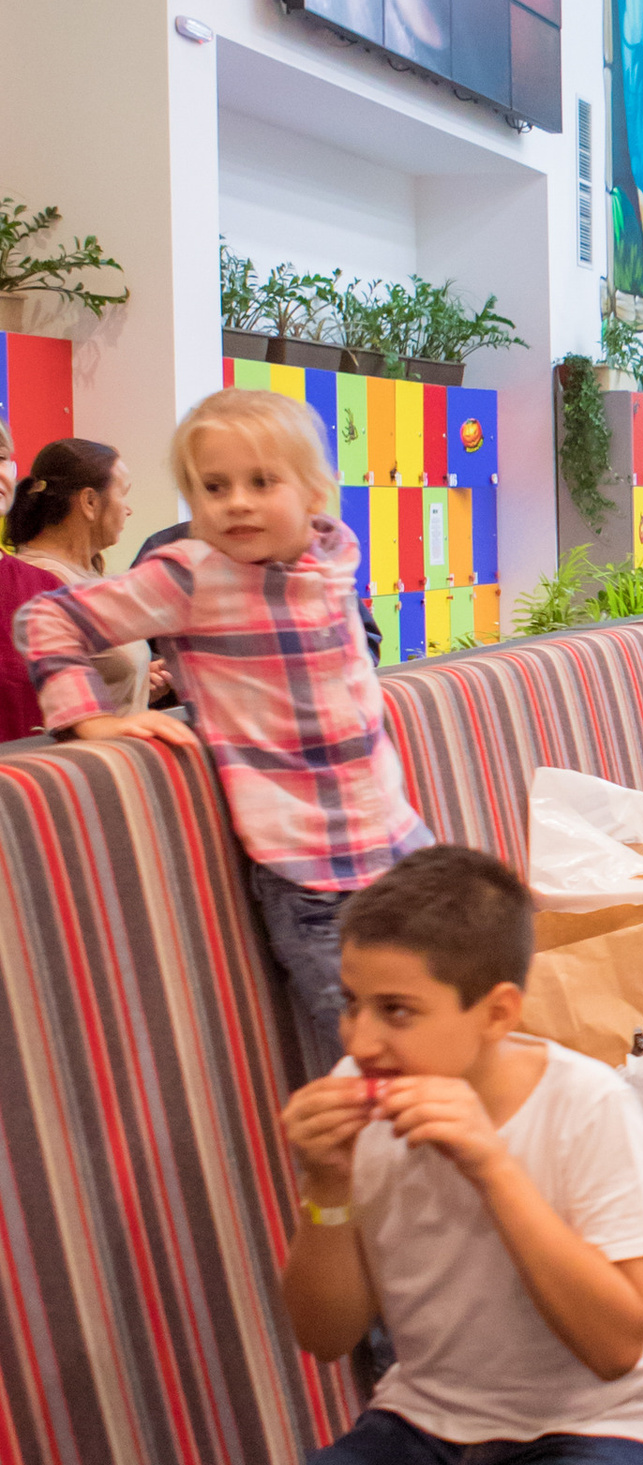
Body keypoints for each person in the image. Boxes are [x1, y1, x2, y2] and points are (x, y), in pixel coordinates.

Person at [207, 845, 643, 1465]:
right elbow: (325, 1335)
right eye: (352, 1004)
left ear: (497, 1012)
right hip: (428, 1426)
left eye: (397, 1011)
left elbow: (619, 1346)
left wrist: (493, 1168)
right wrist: (325, 1188)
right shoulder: (358, 1095)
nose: (361, 1041)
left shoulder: (586, 1105)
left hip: (599, 1429)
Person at [18, 388, 426, 1058]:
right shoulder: (190, 576)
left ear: (314, 493)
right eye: (214, 487)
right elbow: (49, 618)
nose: (236, 502)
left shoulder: (331, 554)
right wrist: (86, 717)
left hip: (396, 842)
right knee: (374, 1057)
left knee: (452, 1022)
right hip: (308, 879)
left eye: (261, 482)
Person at [2, 436, 145, 737]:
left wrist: (135, 680)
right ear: (90, 502)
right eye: (123, 494)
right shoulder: (44, 584)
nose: (129, 509)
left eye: (3, 458)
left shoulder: (84, 576)